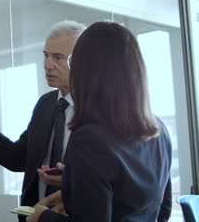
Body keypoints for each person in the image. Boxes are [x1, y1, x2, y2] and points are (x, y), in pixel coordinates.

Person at [26, 21, 172, 222]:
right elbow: (163, 210)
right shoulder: (160, 130)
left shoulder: (90, 139)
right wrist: (74, 192)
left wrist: (44, 218)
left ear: (87, 70)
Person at [0, 21, 86, 221]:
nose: (47, 65)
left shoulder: (98, 111)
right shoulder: (45, 105)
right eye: (46, 56)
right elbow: (21, 159)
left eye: (58, 58)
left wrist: (70, 180)